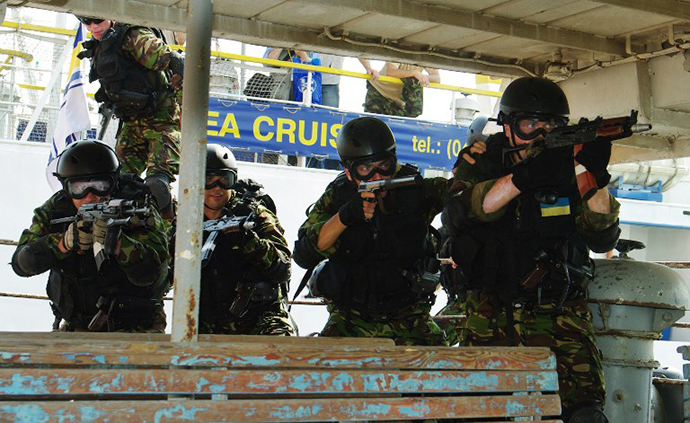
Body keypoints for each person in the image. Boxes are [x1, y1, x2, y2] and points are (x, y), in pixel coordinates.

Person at [440, 77, 620, 423]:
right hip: (491, 318)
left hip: (559, 319)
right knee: (484, 413)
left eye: (551, 125)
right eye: (529, 124)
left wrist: (593, 176)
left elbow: (602, 238)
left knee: (584, 415)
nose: (540, 133)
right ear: (507, 126)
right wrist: (526, 176)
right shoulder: (481, 162)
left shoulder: (572, 167)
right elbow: (464, 211)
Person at [293, 116, 450, 346]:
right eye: (365, 168)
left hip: (410, 317)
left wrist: (471, 168)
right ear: (348, 171)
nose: (377, 177)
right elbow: (304, 254)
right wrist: (346, 216)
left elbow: (466, 200)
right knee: (322, 374)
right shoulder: (337, 196)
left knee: (445, 373)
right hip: (350, 319)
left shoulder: (414, 189)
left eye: (383, 165)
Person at [11, 140, 171, 332]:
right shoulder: (56, 209)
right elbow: (22, 263)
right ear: (66, 186)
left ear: (113, 182)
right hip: (77, 325)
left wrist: (119, 244)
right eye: (79, 188)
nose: (90, 196)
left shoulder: (137, 205)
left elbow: (156, 273)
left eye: (99, 185)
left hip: (138, 325)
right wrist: (62, 244)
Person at [76, 16, 184, 220]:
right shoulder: (101, 45)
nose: (93, 27)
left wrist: (185, 112)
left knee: (157, 185)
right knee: (115, 186)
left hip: (161, 122)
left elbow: (177, 64)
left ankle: (171, 227)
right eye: (86, 22)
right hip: (131, 124)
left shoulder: (133, 36)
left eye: (97, 20)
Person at [199, 144, 294, 335]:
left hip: (261, 318)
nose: (217, 188)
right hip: (208, 321)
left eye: (224, 179)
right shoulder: (186, 217)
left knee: (282, 352)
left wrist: (249, 242)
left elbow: (284, 268)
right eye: (208, 179)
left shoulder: (254, 215)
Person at [362, 61, 440, 118]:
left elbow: (437, 78)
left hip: (397, 98)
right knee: (373, 122)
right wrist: (414, 73)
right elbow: (391, 71)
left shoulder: (425, 56)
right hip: (379, 90)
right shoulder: (400, 50)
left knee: (400, 124)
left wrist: (424, 77)